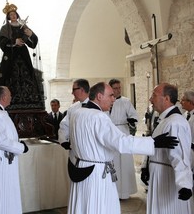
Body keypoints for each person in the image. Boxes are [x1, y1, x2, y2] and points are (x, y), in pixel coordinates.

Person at [67, 82, 179, 214]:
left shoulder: (77, 113)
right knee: (99, 206)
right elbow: (121, 142)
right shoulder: (99, 117)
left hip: (81, 167)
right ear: (99, 96)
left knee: (84, 205)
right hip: (96, 175)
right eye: (111, 95)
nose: (113, 99)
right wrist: (153, 142)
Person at [144, 83, 193, 214]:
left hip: (167, 178)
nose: (150, 99)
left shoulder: (175, 122)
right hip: (159, 174)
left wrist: (184, 184)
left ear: (166, 98)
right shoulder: (166, 120)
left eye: (154, 95)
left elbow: (180, 155)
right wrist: (146, 166)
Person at [0, 86, 28, 214]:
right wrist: (21, 147)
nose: (11, 97)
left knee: (5, 192)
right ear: (3, 97)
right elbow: (0, 140)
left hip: (2, 158)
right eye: (10, 95)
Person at [0, 1, 44, 110]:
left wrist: (31, 34)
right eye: (10, 15)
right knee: (11, 76)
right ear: (8, 17)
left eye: (14, 14)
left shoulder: (23, 26)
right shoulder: (5, 28)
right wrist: (14, 41)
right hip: (11, 56)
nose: (13, 16)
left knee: (27, 76)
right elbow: (2, 43)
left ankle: (29, 100)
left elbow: (32, 43)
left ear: (17, 15)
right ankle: (10, 100)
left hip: (23, 55)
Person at [108, 78, 138, 199]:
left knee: (124, 163)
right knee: (113, 162)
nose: (118, 90)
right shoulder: (107, 101)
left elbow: (134, 115)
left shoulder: (126, 101)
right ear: (110, 89)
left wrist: (132, 120)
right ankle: (112, 192)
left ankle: (124, 192)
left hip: (123, 132)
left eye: (119, 87)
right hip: (110, 134)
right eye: (115, 88)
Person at [58, 79, 90, 151]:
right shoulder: (73, 107)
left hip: (90, 151)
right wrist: (63, 140)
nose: (72, 93)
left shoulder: (96, 107)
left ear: (81, 90)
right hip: (74, 151)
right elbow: (65, 125)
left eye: (74, 89)